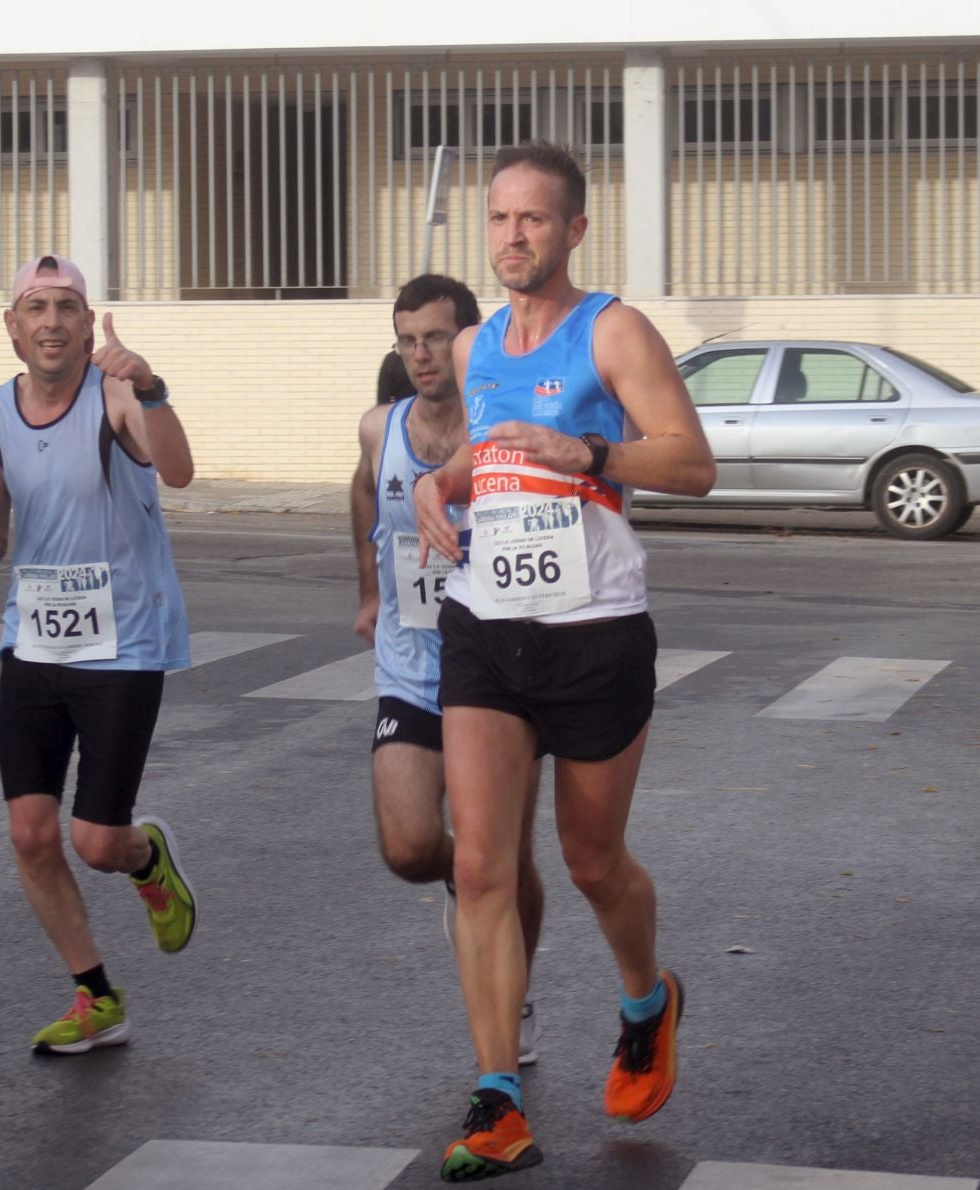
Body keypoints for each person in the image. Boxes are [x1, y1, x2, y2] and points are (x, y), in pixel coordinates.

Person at [411, 143, 716, 1182]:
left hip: (595, 630)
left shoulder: (613, 329)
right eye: (499, 219)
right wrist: (435, 483)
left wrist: (594, 453)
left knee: (591, 860)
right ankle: (497, 1096)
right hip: (486, 629)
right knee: (479, 862)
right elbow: (487, 445)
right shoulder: (475, 347)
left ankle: (646, 997)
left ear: (575, 229)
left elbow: (692, 459)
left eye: (533, 220)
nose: (512, 237)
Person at [0, 254, 199, 1055]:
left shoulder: (115, 394)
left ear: (89, 325)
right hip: (36, 641)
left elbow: (179, 472)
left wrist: (151, 390)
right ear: (12, 328)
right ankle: (95, 995)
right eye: (36, 307)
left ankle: (146, 856)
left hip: (123, 644)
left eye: (67, 308)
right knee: (29, 833)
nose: (52, 321)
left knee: (94, 841)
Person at [350, 274, 546, 1070]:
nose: (421, 354)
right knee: (408, 847)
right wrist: (369, 590)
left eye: (435, 337)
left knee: (508, 856)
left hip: (503, 671)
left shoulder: (507, 423)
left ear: (468, 339)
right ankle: (467, 880)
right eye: (407, 339)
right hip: (411, 666)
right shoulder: (379, 427)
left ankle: (514, 991)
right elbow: (363, 493)